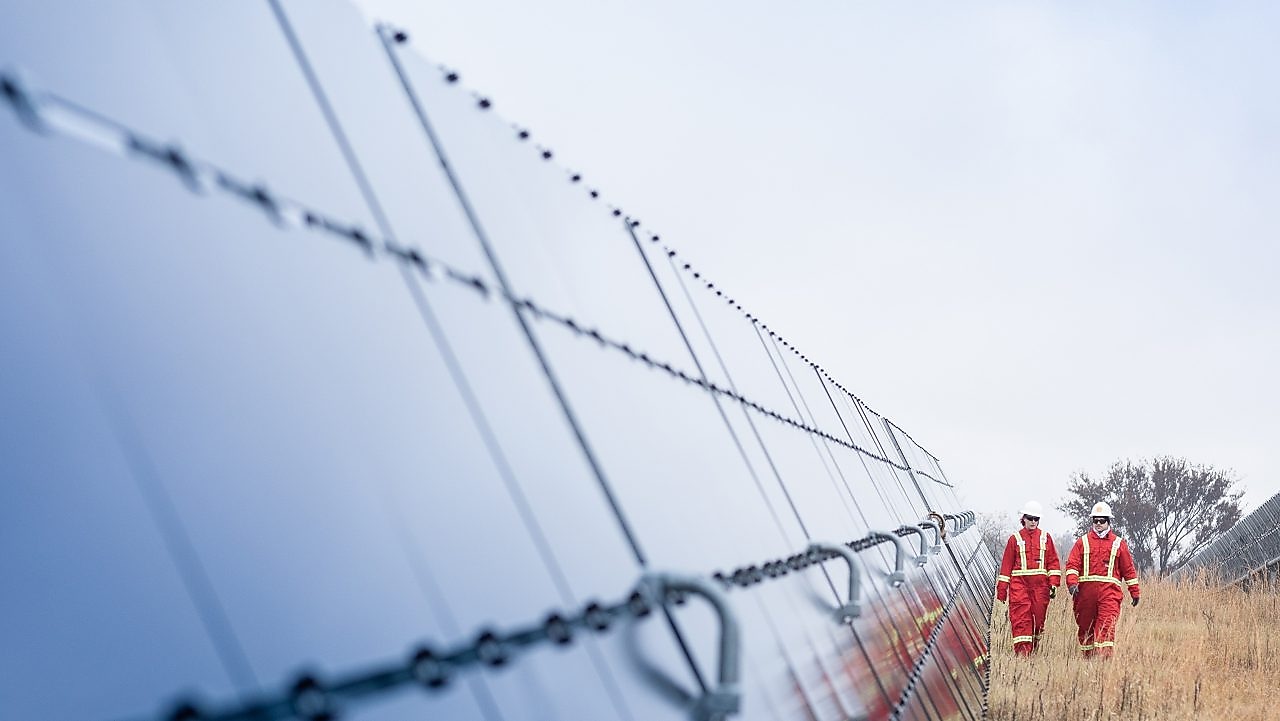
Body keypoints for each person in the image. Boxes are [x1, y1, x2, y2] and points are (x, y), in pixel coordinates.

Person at [1064, 502, 1141, 659]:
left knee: (1106, 626)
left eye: (1102, 520)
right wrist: (1072, 583)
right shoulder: (1082, 542)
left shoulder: (1119, 544)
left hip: (1110, 594)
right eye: (1096, 521)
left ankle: (1104, 662)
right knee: (1086, 628)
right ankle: (1088, 660)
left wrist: (1135, 592)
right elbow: (1072, 565)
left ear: (1108, 522)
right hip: (1084, 595)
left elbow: (1128, 570)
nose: (1098, 524)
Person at [995, 501, 1062, 656]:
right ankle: (1022, 655)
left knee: (1038, 621)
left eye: (1036, 519)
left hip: (1041, 587)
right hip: (1020, 586)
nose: (1033, 522)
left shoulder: (1046, 538)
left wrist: (1054, 584)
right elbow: (1006, 566)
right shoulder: (1014, 539)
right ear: (1023, 518)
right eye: (1030, 518)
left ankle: (1033, 646)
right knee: (1021, 619)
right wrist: (1002, 590)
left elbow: (1053, 562)